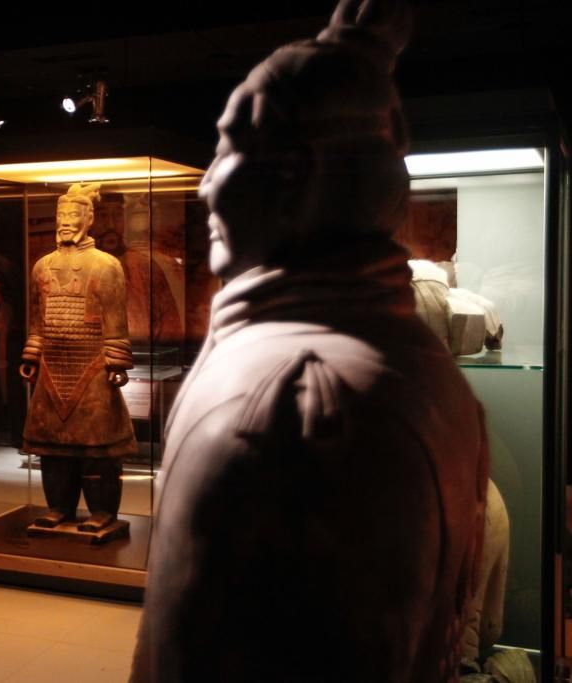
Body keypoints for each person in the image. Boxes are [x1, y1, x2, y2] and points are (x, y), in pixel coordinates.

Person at [131, 1, 489, 681]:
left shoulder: (282, 408)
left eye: (231, 150)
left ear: (303, 178)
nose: (206, 185)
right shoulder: (405, 359)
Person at [19, 182, 137, 533]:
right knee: (53, 448)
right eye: (61, 215)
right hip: (53, 369)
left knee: (96, 449)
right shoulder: (42, 266)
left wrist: (116, 362)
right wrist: (33, 353)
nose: (65, 222)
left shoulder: (106, 265)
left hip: (92, 367)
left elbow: (117, 321)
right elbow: (37, 320)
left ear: (89, 218)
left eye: (73, 215)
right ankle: (59, 507)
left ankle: (102, 511)